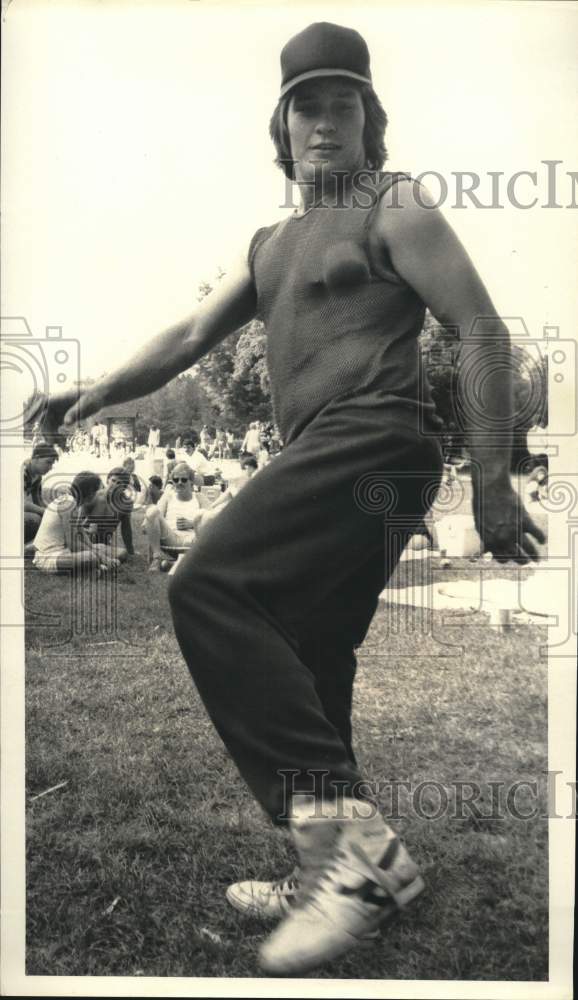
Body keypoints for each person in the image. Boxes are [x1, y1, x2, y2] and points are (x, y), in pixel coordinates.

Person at [38, 20, 545, 975]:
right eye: (305, 107)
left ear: (369, 120)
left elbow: (481, 329)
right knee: (311, 655)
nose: (324, 122)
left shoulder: (394, 205)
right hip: (330, 451)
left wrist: (493, 477)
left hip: (377, 438)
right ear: (280, 126)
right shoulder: (268, 243)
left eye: (343, 105)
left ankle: (348, 853)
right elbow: (189, 332)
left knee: (208, 586)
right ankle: (332, 877)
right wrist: (97, 389)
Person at [33, 471, 122, 574]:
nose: (97, 495)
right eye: (96, 491)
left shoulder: (75, 504)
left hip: (63, 552)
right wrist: (102, 557)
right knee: (91, 556)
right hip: (49, 557)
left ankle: (97, 567)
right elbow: (73, 544)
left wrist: (95, 550)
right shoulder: (68, 505)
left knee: (100, 548)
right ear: (90, 492)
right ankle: (97, 567)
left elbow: (82, 534)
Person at [143, 462, 203, 571]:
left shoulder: (199, 497)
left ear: (191, 481)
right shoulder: (168, 496)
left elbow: (214, 519)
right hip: (170, 537)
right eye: (176, 480)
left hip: (193, 540)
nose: (179, 482)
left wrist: (192, 523)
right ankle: (157, 557)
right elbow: (153, 516)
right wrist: (147, 522)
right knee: (152, 510)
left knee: (206, 514)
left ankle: (172, 564)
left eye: (183, 480)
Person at [23, 442, 59, 544]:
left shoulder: (37, 476)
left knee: (46, 519)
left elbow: (38, 500)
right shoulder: (22, 471)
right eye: (48, 462)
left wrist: (50, 512)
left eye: (52, 464)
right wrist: (45, 512)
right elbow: (22, 504)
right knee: (35, 519)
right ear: (36, 458)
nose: (50, 467)